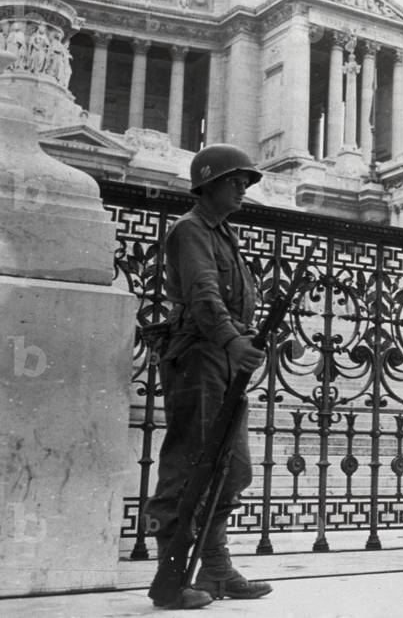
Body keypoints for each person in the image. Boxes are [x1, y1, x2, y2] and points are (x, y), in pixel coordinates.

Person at [143, 144, 272, 609]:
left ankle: (216, 568)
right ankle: (171, 577)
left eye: (245, 182)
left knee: (232, 467)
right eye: (236, 181)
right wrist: (231, 340)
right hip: (199, 355)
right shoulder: (190, 230)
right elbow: (202, 293)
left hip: (222, 356)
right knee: (190, 462)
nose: (243, 188)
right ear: (209, 183)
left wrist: (242, 338)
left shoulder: (223, 234)